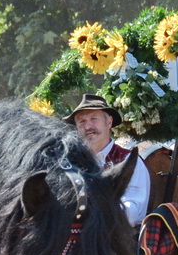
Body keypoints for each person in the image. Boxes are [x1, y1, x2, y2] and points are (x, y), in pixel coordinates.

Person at [64, 93, 149, 226]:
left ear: (108, 122)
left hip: (115, 240)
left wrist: (92, 217)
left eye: (93, 119)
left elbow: (131, 213)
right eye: (82, 121)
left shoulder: (129, 161)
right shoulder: (70, 162)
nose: (87, 127)